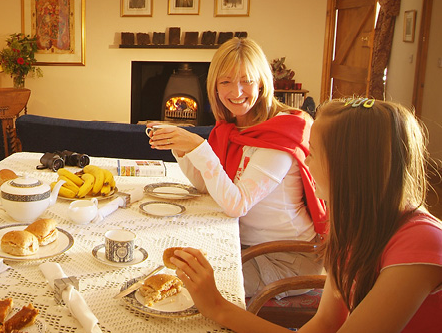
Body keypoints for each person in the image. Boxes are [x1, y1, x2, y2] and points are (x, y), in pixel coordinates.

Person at [170, 99, 442, 332]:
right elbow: (324, 324)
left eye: (312, 153)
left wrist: (218, 307)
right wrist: (217, 305)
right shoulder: (352, 226)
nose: (306, 162)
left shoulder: (421, 242)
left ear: (348, 167)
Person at [148, 37, 327, 297]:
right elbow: (206, 185)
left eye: (247, 80)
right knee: (165, 263)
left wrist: (199, 147)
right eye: (226, 82)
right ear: (215, 87)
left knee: (187, 287)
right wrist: (182, 147)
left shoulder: (283, 132)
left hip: (286, 258)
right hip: (245, 244)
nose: (237, 91)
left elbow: (236, 204)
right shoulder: (231, 129)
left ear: (262, 82)